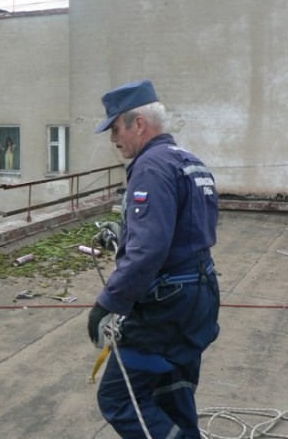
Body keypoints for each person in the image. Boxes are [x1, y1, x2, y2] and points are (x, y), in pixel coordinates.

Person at [87, 79, 220, 438]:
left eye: (115, 128)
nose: (113, 139)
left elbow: (149, 249)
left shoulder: (151, 167)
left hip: (166, 306)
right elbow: (186, 232)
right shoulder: (191, 163)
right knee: (171, 392)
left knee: (118, 398)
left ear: (138, 124)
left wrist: (108, 302)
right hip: (199, 296)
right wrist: (125, 230)